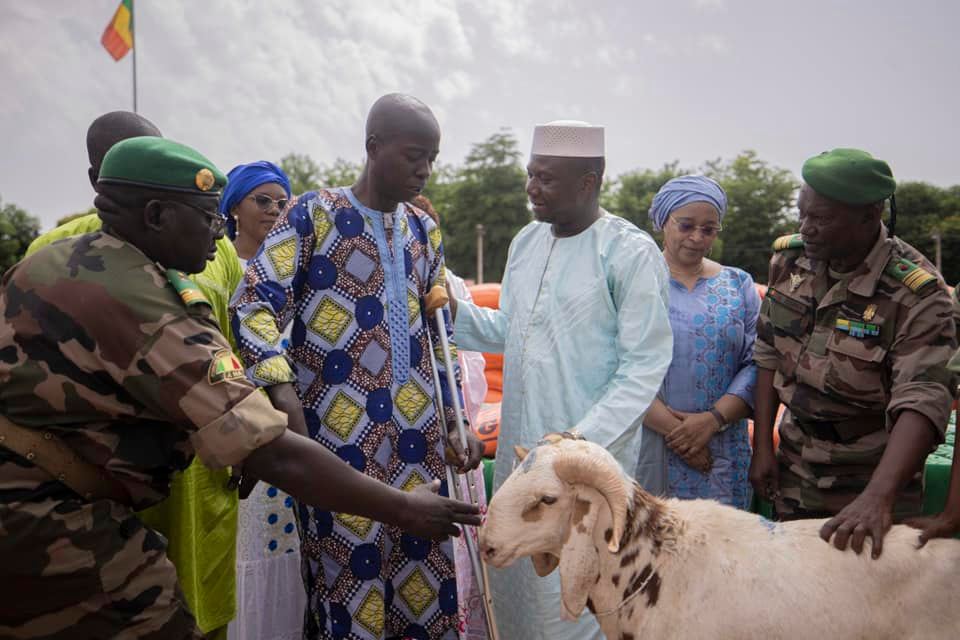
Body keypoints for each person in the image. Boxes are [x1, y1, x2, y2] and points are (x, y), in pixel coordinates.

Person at [0, 136, 480, 639]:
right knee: (156, 618)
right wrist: (403, 508)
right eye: (207, 215)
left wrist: (452, 418)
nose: (218, 231)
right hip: (42, 516)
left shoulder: (50, 262)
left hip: (42, 498)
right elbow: (272, 450)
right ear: (157, 216)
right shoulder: (151, 310)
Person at [230, 94, 483, 640]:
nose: (425, 170)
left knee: (423, 588)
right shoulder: (312, 214)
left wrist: (456, 416)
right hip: (337, 448)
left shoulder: (424, 229)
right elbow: (254, 302)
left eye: (433, 158)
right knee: (349, 589)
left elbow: (438, 338)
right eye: (415, 154)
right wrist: (281, 391)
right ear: (373, 147)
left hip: (420, 444)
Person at [22, 110, 245, 638]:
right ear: (98, 181)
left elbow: (229, 350)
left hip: (201, 463)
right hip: (100, 471)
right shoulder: (51, 254)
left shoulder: (216, 251)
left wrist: (244, 441)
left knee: (202, 599)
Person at [447, 120, 673, 640]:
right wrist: (450, 311)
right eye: (531, 175)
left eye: (546, 178)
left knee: (577, 597)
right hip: (519, 459)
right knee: (519, 594)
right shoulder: (526, 242)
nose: (532, 188)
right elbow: (511, 330)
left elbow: (644, 365)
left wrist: (577, 443)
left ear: (588, 181)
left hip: (585, 468)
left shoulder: (628, 253)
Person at [750, 148, 957, 559]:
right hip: (795, 466)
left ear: (870, 215)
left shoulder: (918, 294)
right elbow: (768, 352)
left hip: (873, 475)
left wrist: (879, 496)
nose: (806, 228)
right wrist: (763, 450)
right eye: (802, 214)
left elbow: (923, 398)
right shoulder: (790, 261)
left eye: (821, 219)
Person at [217, 161, 306, 640]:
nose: (274, 210)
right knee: (248, 541)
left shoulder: (293, 270)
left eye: (282, 202)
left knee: (289, 539)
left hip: (294, 420)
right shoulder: (219, 266)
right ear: (234, 207)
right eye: (262, 200)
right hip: (241, 420)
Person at [636, 176, 759, 509]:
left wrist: (712, 420)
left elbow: (757, 362)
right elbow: (615, 365)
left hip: (724, 448)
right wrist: (680, 437)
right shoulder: (636, 281)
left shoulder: (738, 284)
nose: (697, 238)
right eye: (686, 225)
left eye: (709, 229)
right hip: (651, 443)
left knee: (724, 551)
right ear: (663, 221)